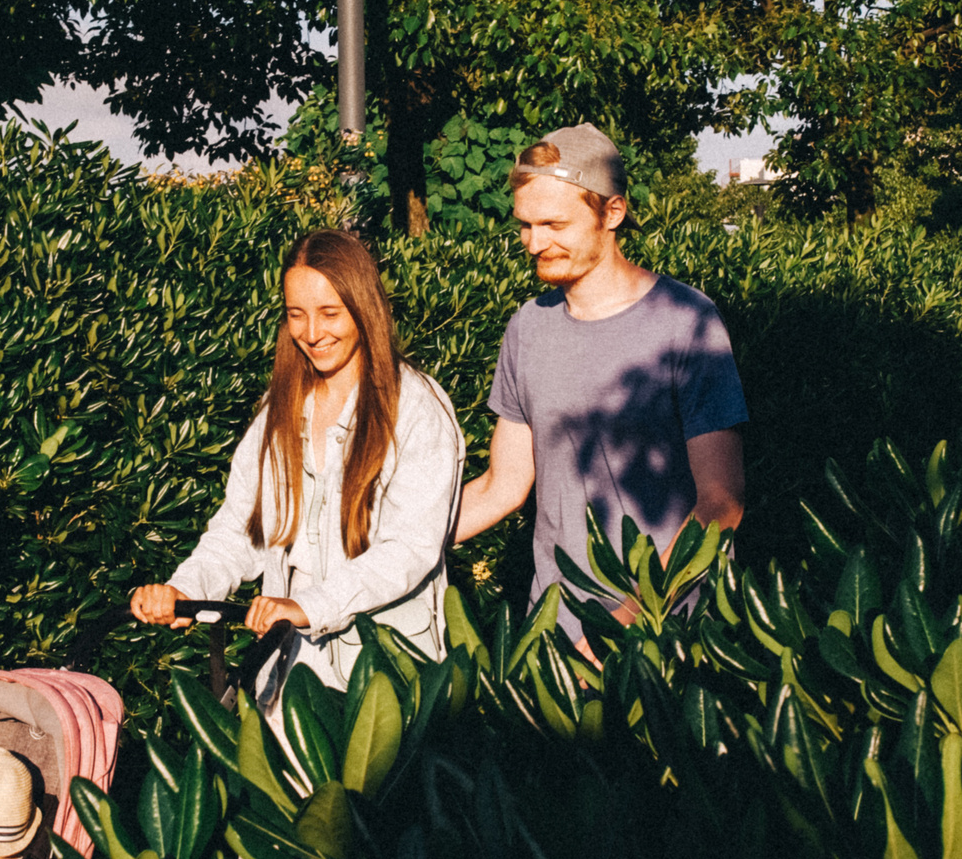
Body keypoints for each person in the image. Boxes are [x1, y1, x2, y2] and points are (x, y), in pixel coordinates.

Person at [131, 229, 464, 691]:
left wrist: (313, 604)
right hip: (292, 669)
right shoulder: (282, 406)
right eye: (296, 315)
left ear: (364, 308)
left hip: (387, 669)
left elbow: (409, 550)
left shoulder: (416, 408)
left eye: (330, 313)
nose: (312, 333)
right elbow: (244, 529)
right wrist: (187, 588)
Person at [454, 124, 748, 645]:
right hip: (555, 635)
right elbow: (503, 486)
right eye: (525, 224)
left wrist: (628, 620)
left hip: (666, 638)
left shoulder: (686, 321)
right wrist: (386, 547)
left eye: (553, 224)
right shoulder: (528, 327)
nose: (534, 243)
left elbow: (722, 503)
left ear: (612, 213)